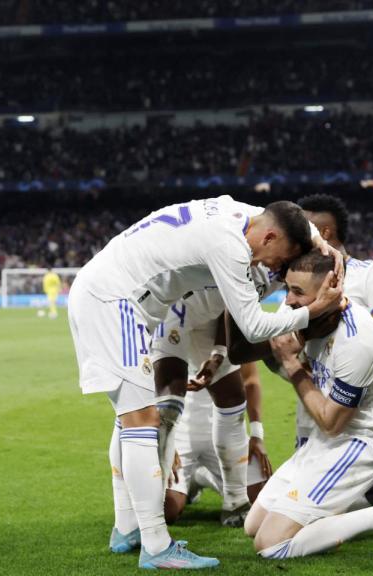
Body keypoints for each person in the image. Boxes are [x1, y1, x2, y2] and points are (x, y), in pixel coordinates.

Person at [68, 196, 343, 569]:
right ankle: (155, 545)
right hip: (116, 301)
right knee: (141, 421)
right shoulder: (228, 247)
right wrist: (312, 310)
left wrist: (321, 243)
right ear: (270, 237)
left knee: (128, 418)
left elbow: (286, 218)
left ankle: (126, 527)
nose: (276, 267)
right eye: (280, 256)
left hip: (113, 295)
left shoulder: (237, 213)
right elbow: (254, 328)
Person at [244, 251, 373, 559]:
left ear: (328, 292)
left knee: (269, 545)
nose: (289, 301)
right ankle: (362, 496)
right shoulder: (307, 317)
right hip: (325, 442)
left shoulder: (357, 340)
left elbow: (331, 421)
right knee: (252, 525)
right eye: (288, 289)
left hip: (360, 441)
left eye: (298, 292)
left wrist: (293, 367)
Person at [164, 363, 271, 525]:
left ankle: (202, 477)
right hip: (180, 433)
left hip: (227, 433)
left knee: (261, 503)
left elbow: (250, 379)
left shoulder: (233, 337)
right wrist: (165, 440)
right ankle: (191, 480)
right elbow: (152, 386)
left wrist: (257, 434)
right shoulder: (170, 338)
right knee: (166, 511)